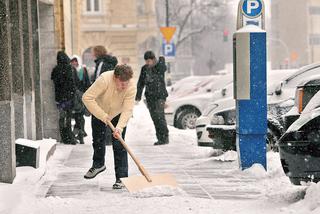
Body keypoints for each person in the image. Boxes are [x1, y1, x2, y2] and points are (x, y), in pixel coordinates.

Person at [82, 64, 136, 189]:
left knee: (119, 144)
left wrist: (120, 128)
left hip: (118, 113)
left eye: (126, 83)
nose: (124, 86)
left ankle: (121, 178)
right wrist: (101, 114)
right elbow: (87, 97)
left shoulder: (131, 87)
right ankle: (98, 164)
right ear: (115, 78)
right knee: (98, 140)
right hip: (99, 110)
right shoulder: (104, 79)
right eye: (122, 83)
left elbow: (128, 109)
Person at [135, 51, 169, 145]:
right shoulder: (144, 69)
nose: (147, 63)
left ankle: (164, 138)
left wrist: (162, 59)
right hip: (150, 97)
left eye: (149, 61)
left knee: (160, 117)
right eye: (146, 61)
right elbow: (140, 83)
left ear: (153, 59)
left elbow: (163, 68)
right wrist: (138, 96)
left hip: (160, 97)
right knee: (155, 118)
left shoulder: (159, 67)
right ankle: (160, 138)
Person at [91, 46, 118, 146]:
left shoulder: (103, 63)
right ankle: (107, 138)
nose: (92, 54)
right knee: (106, 117)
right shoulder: (104, 62)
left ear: (98, 52)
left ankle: (106, 139)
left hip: (103, 94)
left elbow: (100, 79)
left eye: (93, 52)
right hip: (105, 94)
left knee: (104, 117)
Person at [51, 51, 78, 145]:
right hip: (69, 97)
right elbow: (72, 84)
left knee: (62, 118)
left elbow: (55, 82)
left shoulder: (56, 69)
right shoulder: (68, 68)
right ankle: (69, 137)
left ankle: (64, 137)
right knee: (68, 117)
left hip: (60, 98)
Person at [70, 55, 91, 144]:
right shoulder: (70, 70)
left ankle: (79, 132)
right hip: (74, 96)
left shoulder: (83, 70)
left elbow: (87, 82)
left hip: (82, 96)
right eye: (72, 61)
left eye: (76, 61)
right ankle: (81, 132)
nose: (74, 63)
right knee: (78, 116)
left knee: (80, 115)